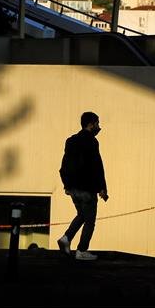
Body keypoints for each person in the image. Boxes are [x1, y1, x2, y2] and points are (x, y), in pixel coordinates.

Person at [57, 111, 108, 261]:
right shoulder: (92, 142)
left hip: (73, 188)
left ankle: (66, 238)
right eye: (97, 123)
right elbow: (97, 167)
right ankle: (82, 250)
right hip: (87, 188)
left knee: (82, 215)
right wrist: (102, 188)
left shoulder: (71, 141)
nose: (99, 126)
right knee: (90, 220)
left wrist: (67, 185)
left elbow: (64, 164)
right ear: (91, 124)